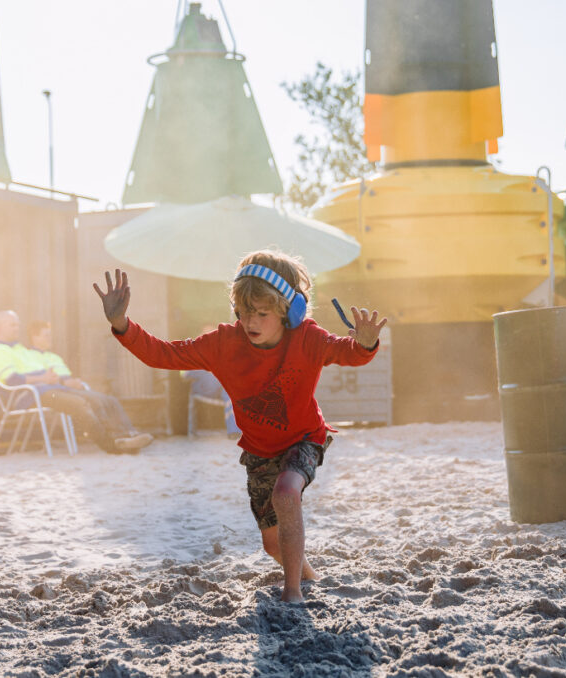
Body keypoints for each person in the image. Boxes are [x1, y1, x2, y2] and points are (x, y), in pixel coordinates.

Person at [94, 251, 386, 603]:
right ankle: (310, 579)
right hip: (259, 450)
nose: (251, 321)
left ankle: (293, 594)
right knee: (271, 545)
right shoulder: (222, 343)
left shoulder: (307, 337)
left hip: (305, 438)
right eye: (244, 312)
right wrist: (122, 324)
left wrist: (366, 343)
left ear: (289, 311)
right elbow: (163, 354)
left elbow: (349, 353)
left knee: (286, 494)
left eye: (262, 313)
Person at [0, 311, 153, 453]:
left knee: (105, 399)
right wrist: (43, 378)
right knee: (80, 404)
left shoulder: (20, 349)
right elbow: (12, 380)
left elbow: (47, 373)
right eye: (12, 325)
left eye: (18, 325)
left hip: (48, 388)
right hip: (28, 394)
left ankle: (128, 435)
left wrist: (59, 380)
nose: (17, 328)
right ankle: (112, 444)